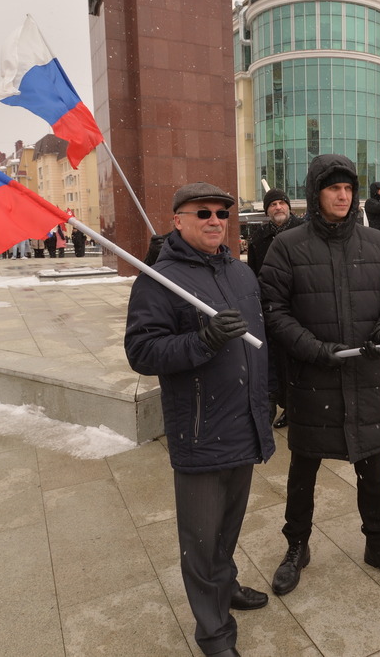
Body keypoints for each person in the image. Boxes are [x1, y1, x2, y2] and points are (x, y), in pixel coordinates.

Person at [125, 182, 275, 657]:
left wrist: (266, 398)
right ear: (178, 220)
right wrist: (203, 341)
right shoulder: (159, 279)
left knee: (228, 526)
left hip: (244, 421)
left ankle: (224, 585)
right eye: (203, 213)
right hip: (200, 428)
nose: (215, 221)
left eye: (222, 214)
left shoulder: (241, 273)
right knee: (201, 537)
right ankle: (213, 632)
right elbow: (141, 351)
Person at [259, 154, 380, 593]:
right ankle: (296, 545)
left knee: (373, 466)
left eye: (348, 188)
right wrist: (316, 350)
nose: (343, 195)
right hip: (314, 379)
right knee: (304, 469)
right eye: (333, 188)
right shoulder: (287, 246)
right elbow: (274, 311)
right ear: (315, 193)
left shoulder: (376, 244)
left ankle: (379, 543)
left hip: (365, 376)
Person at [246, 188, 304, 429]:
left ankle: (296, 407)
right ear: (267, 210)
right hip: (270, 306)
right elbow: (252, 272)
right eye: (273, 204)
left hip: (300, 306)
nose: (278, 207)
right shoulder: (259, 237)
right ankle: (279, 402)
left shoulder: (303, 232)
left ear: (289, 207)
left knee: (296, 359)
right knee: (274, 360)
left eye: (282, 203)